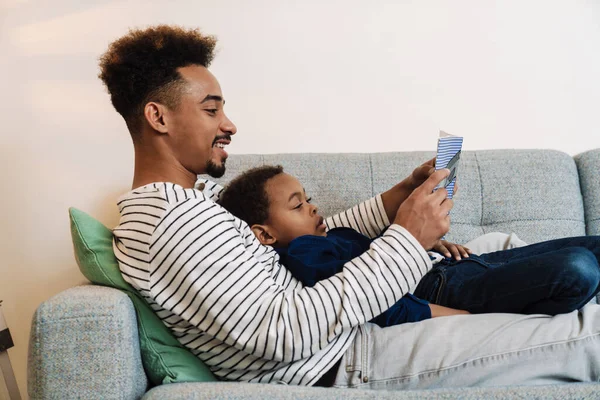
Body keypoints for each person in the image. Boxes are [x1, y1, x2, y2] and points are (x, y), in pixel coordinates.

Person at [101, 25, 600, 390]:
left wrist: (394, 202)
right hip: (349, 358)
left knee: (508, 252)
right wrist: (406, 240)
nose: (229, 124)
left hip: (359, 329)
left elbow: (301, 245)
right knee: (586, 337)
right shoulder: (171, 222)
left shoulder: (191, 205)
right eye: (211, 109)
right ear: (158, 117)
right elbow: (281, 332)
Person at [218, 164, 600, 320]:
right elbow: (372, 301)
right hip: (447, 293)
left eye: (308, 196)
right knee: (577, 268)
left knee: (593, 247)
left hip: (451, 269)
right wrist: (455, 317)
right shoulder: (304, 253)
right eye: (298, 205)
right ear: (265, 234)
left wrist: (429, 247)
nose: (313, 206)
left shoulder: (329, 236)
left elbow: (388, 250)